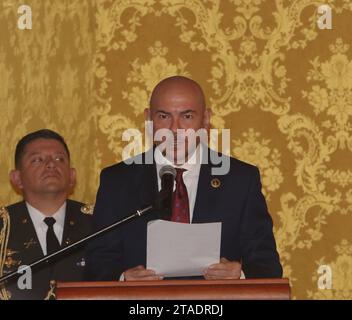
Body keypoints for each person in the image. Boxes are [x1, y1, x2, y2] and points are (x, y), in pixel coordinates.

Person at [85, 76, 282, 281]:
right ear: (148, 119)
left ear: (205, 120)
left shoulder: (240, 180)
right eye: (164, 116)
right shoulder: (117, 181)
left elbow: (267, 265)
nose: (174, 130)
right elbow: (97, 263)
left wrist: (239, 274)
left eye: (187, 116)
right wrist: (124, 279)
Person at [0, 129, 92, 300]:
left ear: (72, 176)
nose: (51, 164)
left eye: (59, 159)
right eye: (37, 160)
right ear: (17, 178)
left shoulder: (97, 222)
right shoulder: (3, 225)